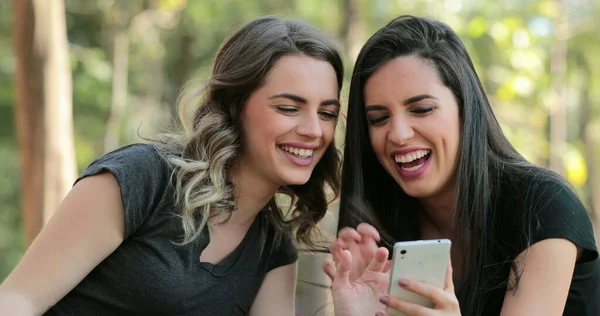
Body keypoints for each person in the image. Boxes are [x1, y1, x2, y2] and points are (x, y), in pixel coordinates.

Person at [0, 15, 344, 315]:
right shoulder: (142, 179)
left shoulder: (272, 247)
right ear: (235, 105)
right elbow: (18, 299)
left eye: (326, 113)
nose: (314, 130)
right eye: (288, 108)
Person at [324, 15, 599, 316]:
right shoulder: (378, 234)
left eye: (422, 109)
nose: (399, 134)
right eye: (379, 118)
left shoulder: (543, 206)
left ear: (465, 109)